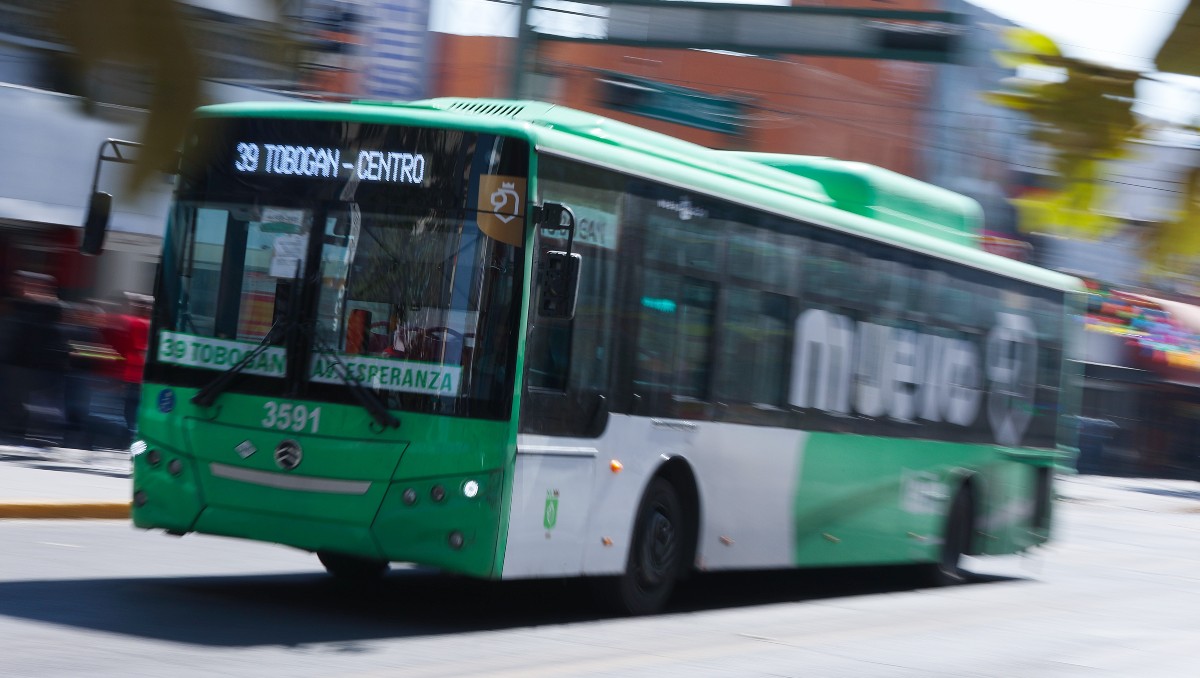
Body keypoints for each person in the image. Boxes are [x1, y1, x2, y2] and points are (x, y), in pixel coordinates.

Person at [0, 272, 68, 446]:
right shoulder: (19, 306)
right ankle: (14, 433)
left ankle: (19, 434)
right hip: (17, 361)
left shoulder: (42, 308)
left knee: (18, 403)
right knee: (13, 402)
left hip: (25, 363)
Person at [102, 292, 152, 445]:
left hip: (133, 374)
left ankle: (132, 437)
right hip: (139, 375)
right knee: (135, 408)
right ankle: (135, 436)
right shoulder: (152, 324)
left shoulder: (133, 322)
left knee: (130, 409)